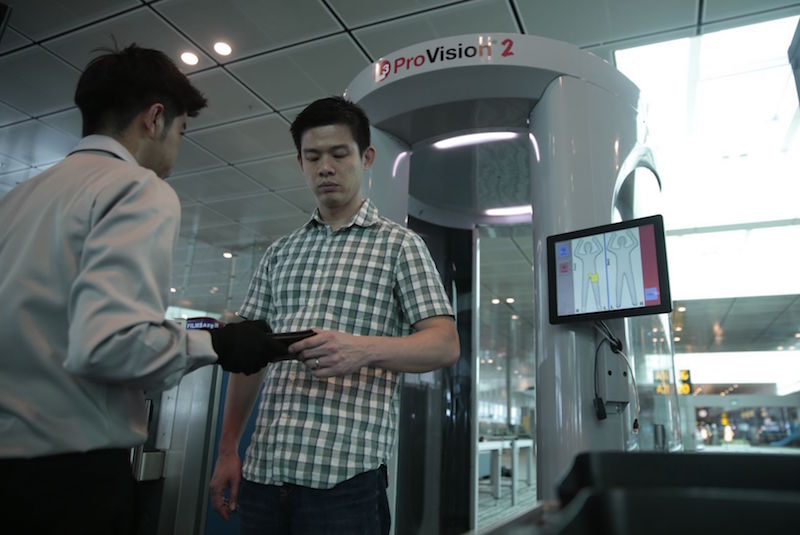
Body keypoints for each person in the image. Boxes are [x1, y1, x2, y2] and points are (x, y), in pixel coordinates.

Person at [0, 45, 278, 535]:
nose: (177, 150)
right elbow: (110, 344)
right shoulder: (137, 187)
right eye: (182, 131)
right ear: (155, 119)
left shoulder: (17, 200)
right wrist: (216, 344)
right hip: (68, 486)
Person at [209, 96, 460, 534]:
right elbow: (248, 359)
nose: (325, 167)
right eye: (313, 157)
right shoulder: (280, 252)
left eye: (339, 154)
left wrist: (363, 350)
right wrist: (228, 449)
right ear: (300, 163)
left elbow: (445, 343)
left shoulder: (400, 246)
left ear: (366, 158)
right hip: (264, 473)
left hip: (345, 484)